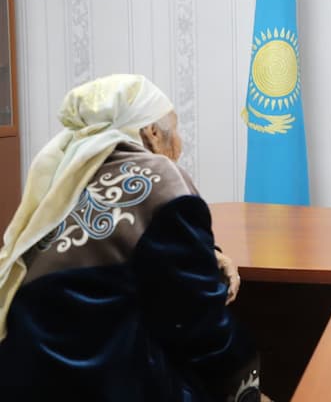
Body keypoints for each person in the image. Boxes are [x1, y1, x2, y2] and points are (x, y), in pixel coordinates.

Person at [0, 74, 262, 401]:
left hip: (21, 375)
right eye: (176, 130)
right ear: (152, 132)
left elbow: (117, 245)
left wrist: (208, 253)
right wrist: (248, 376)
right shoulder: (160, 176)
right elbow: (198, 321)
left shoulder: (65, 175)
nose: (180, 144)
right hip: (98, 382)